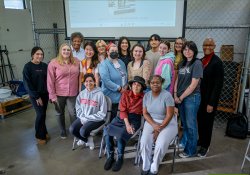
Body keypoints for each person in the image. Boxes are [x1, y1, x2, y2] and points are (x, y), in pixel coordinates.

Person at [103, 76, 146, 172]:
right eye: (134, 84)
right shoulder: (125, 94)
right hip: (122, 117)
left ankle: (120, 158)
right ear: (131, 86)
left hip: (135, 119)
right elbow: (122, 110)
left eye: (139, 85)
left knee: (121, 134)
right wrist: (127, 124)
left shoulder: (145, 97)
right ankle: (110, 156)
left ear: (142, 88)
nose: (136, 86)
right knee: (107, 130)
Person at [140, 75, 178, 175]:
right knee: (144, 142)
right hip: (151, 121)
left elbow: (169, 115)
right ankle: (146, 166)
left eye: (158, 82)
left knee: (160, 145)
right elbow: (145, 113)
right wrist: (153, 125)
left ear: (162, 83)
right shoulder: (147, 96)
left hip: (167, 122)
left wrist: (158, 129)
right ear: (149, 84)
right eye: (153, 82)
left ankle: (154, 168)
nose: (155, 84)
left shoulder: (167, 95)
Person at [174, 41, 203, 158]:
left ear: (194, 51)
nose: (187, 51)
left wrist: (180, 97)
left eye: (190, 49)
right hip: (180, 98)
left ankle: (191, 151)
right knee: (185, 124)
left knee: (191, 125)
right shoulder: (182, 63)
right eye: (185, 49)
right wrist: (175, 94)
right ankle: (185, 143)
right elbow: (177, 80)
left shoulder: (197, 63)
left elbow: (193, 85)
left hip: (191, 98)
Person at [197, 38, 224, 157]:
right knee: (200, 121)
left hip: (209, 100)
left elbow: (218, 85)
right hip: (199, 98)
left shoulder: (217, 62)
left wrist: (211, 103)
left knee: (207, 123)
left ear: (214, 47)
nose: (207, 47)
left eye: (210, 45)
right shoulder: (201, 60)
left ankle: (205, 146)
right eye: (205, 45)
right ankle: (201, 141)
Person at [47, 43, 80, 139]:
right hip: (58, 93)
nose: (66, 52)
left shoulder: (76, 62)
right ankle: (62, 131)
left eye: (68, 50)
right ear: (60, 51)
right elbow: (50, 81)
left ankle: (74, 131)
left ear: (71, 52)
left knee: (73, 113)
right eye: (64, 49)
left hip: (72, 93)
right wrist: (52, 95)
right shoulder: (53, 63)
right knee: (59, 112)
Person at [69, 73, 107, 150]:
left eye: (91, 81)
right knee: (72, 129)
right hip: (83, 117)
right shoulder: (81, 94)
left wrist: (88, 118)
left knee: (83, 131)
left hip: (97, 119)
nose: (88, 83)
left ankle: (85, 139)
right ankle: (86, 140)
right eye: (86, 81)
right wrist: (82, 117)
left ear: (94, 82)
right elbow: (78, 108)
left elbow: (102, 113)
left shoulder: (100, 94)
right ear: (84, 83)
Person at [23, 47, 49, 145]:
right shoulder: (28, 67)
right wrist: (36, 97)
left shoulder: (44, 66)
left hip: (45, 94)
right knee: (40, 114)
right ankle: (39, 136)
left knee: (43, 114)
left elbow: (48, 81)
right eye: (37, 54)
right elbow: (27, 84)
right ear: (32, 54)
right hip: (35, 95)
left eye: (41, 54)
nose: (40, 56)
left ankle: (44, 131)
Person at [99, 43, 128, 121]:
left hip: (122, 95)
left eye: (116, 50)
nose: (114, 52)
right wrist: (119, 88)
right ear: (107, 52)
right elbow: (106, 81)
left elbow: (125, 76)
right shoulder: (104, 64)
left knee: (119, 119)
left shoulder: (121, 63)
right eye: (112, 50)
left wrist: (125, 86)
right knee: (111, 119)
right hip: (111, 97)